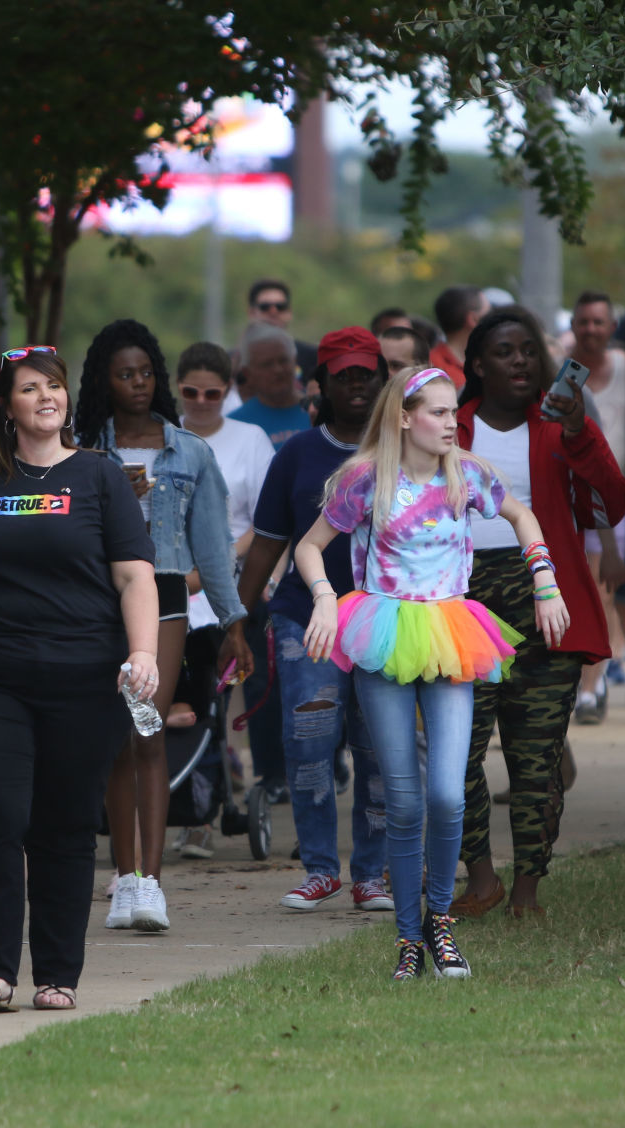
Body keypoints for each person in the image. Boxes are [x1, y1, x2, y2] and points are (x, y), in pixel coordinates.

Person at [298, 365, 568, 978]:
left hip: (451, 633)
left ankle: (440, 924)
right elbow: (309, 545)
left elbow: (523, 518)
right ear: (403, 418)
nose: (453, 423)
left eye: (454, 413)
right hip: (384, 634)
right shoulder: (365, 480)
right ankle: (407, 942)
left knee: (447, 793)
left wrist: (545, 580)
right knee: (403, 799)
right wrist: (322, 597)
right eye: (440, 413)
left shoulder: (468, 475)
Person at [0, 345, 157, 1013]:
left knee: (62, 824)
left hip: (82, 679)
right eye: (29, 388)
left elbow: (133, 573)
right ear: (8, 406)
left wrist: (144, 652)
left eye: (52, 385)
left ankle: (57, 973)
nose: (45, 397)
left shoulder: (98, 477)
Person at [451, 308, 625, 917]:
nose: (521, 361)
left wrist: (581, 432)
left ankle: (527, 888)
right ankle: (481, 878)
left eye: (529, 350)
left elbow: (612, 500)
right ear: (477, 364)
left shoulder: (558, 426)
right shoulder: (449, 429)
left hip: (546, 600)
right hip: (463, 605)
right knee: (458, 753)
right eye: (505, 351)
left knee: (537, 758)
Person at [77, 321, 250, 932]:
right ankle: (123, 877)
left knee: (146, 727)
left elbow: (214, 545)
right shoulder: (79, 449)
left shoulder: (189, 451)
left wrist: (233, 622)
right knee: (113, 739)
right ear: (103, 379)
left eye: (146, 372)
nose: (138, 384)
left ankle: (150, 884)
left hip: (168, 593)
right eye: (125, 374)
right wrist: (103, 493)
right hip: (96, 598)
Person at [235, 326, 391, 913]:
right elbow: (269, 543)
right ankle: (321, 869)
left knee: (379, 751)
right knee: (309, 744)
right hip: (306, 620)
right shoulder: (297, 454)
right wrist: (237, 623)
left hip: (385, 624)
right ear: (319, 383)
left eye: (365, 373)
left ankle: (371, 875)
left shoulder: (406, 452)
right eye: (342, 374)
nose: (355, 383)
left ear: (383, 381)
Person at [174, 341, 280, 815]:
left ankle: (220, 787)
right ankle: (189, 795)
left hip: (231, 585)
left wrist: (216, 561)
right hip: (172, 585)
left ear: (228, 391)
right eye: (190, 392)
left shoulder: (250, 438)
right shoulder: (162, 437)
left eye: (211, 394)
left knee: (221, 699)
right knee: (181, 701)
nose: (200, 402)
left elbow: (267, 521)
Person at [566, 292, 625, 724]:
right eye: (583, 321)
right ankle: (589, 679)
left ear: (611, 326)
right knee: (575, 596)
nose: (591, 329)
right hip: (567, 505)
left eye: (599, 321)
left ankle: (591, 689)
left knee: (601, 595)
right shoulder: (561, 377)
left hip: (609, 501)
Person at [229, 322, 310, 446]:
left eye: (283, 360)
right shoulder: (235, 425)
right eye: (267, 364)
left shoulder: (320, 412)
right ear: (247, 373)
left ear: (295, 361)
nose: (277, 369)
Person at [247, 279, 316, 374]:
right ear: (251, 313)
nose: (273, 312)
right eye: (265, 307)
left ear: (289, 312)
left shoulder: (313, 358)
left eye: (280, 307)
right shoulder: (233, 361)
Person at [428, 285, 489, 390]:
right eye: (489, 314)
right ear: (473, 319)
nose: (495, 320)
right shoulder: (432, 369)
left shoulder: (431, 362)